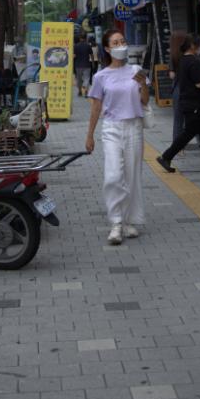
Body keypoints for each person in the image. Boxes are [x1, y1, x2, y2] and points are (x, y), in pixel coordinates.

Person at [85, 28, 150, 245]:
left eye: (123, 41)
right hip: (111, 128)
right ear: (107, 48)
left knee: (132, 176)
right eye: (115, 42)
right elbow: (95, 107)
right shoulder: (100, 76)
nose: (120, 45)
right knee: (113, 176)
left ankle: (129, 220)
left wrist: (142, 84)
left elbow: (145, 101)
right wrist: (90, 136)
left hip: (134, 127)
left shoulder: (136, 69)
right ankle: (115, 222)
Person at [156, 32, 200, 172]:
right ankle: (166, 156)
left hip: (194, 104)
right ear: (193, 46)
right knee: (189, 132)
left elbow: (199, 77)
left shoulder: (185, 59)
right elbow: (199, 83)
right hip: (193, 104)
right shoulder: (194, 61)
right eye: (199, 44)